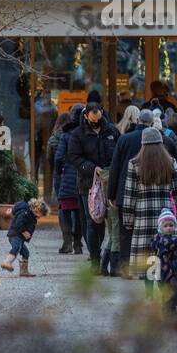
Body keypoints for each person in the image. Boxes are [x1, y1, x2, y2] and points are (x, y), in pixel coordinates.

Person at [119, 128, 177, 283]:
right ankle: (165, 288)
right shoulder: (170, 162)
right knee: (165, 254)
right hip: (165, 214)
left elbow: (129, 194)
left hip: (143, 216)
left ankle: (149, 291)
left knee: (147, 257)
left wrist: (127, 220)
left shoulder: (134, 163)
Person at [66, 101, 120, 273]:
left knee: (107, 220)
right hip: (87, 183)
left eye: (99, 119)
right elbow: (74, 158)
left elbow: (119, 151)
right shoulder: (78, 134)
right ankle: (95, 260)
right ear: (86, 116)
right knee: (92, 221)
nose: (96, 122)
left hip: (109, 181)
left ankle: (103, 258)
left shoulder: (111, 131)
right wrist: (91, 168)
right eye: (93, 120)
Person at [53, 106, 84, 255]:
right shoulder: (86, 133)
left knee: (65, 210)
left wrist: (60, 173)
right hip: (83, 176)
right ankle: (78, 243)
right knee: (79, 212)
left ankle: (67, 243)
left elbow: (58, 158)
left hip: (67, 177)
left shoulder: (65, 135)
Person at [47, 113, 73, 253]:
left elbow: (50, 158)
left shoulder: (54, 138)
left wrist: (57, 171)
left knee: (63, 207)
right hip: (74, 174)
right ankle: (77, 241)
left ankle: (67, 240)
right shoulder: (75, 136)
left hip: (60, 175)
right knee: (76, 206)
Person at [0, 198, 46, 276]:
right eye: (41, 214)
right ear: (37, 210)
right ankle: (7, 262)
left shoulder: (31, 215)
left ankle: (23, 271)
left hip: (19, 236)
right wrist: (24, 232)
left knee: (26, 253)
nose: (40, 217)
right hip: (15, 235)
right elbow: (18, 223)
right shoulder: (25, 213)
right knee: (16, 248)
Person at [151, 211, 177, 314]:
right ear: (161, 228)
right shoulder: (163, 240)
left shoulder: (169, 238)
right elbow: (174, 245)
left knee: (172, 292)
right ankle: (168, 314)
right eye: (165, 226)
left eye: (171, 225)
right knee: (169, 293)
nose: (169, 228)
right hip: (166, 272)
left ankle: (169, 312)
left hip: (172, 271)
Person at [32, 89, 57, 183]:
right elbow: (41, 111)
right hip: (37, 135)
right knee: (37, 160)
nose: (47, 97)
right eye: (46, 95)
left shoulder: (52, 105)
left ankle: (48, 183)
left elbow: (54, 115)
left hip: (48, 134)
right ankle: (35, 182)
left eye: (49, 95)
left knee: (47, 159)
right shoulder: (38, 105)